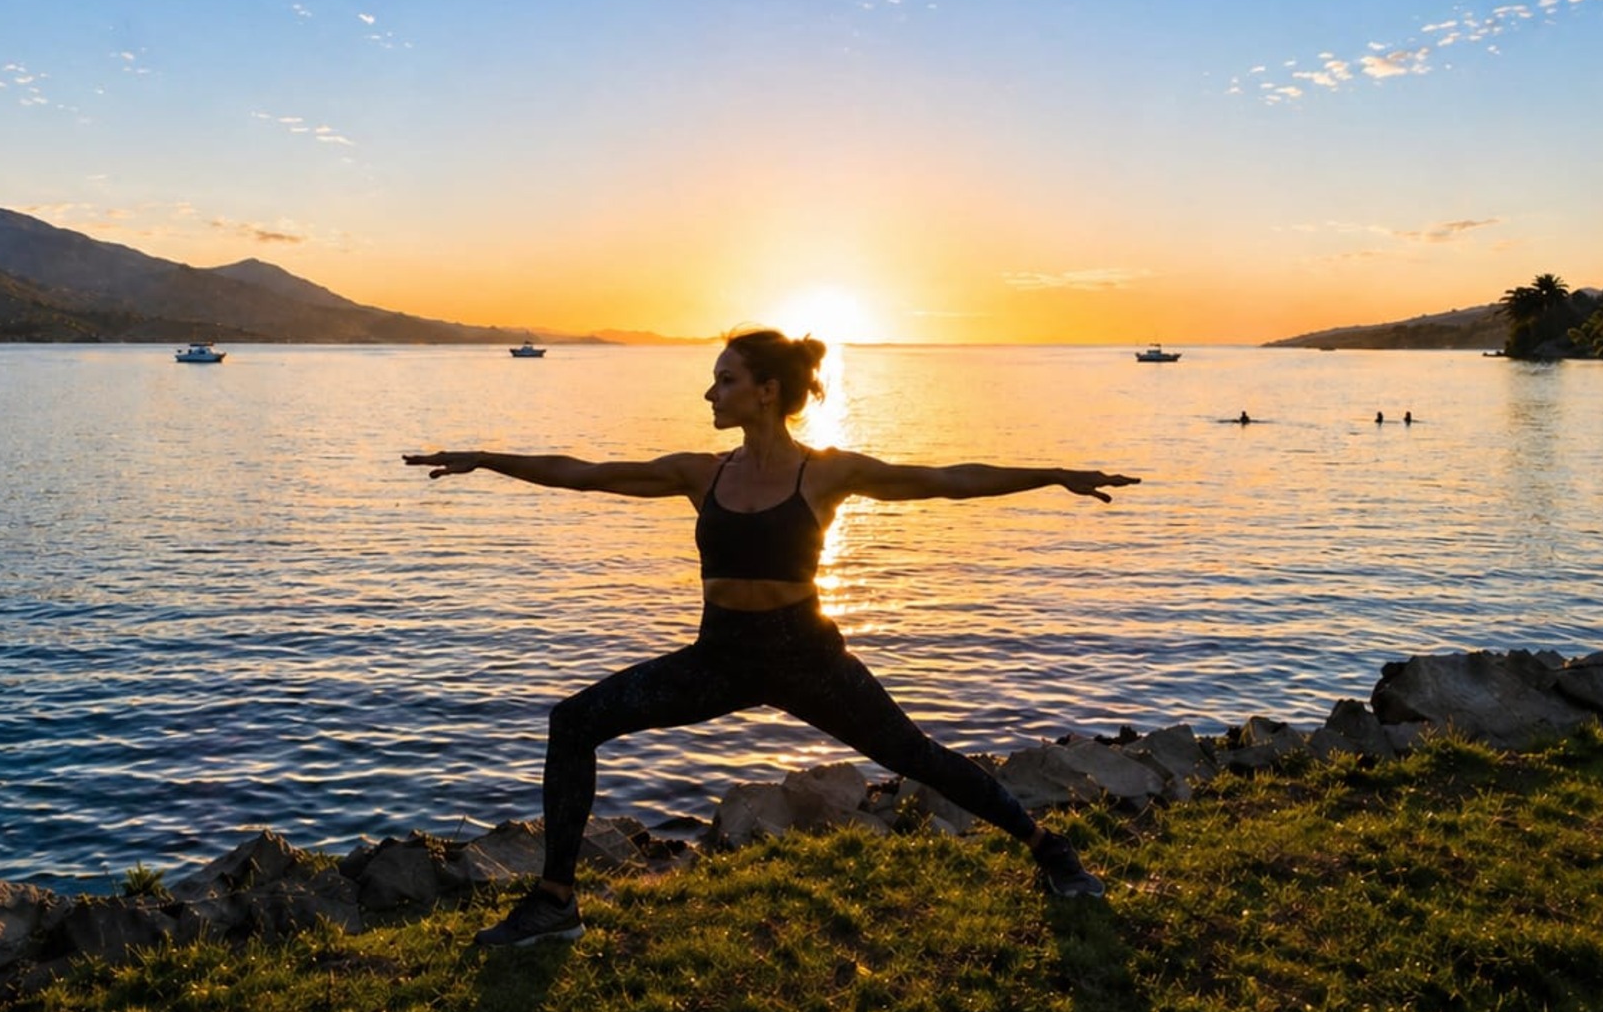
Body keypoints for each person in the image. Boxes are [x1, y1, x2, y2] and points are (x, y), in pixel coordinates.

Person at [405, 328, 1139, 947]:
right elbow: (585, 472)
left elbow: (944, 478)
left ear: (765, 391)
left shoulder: (826, 473)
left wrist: (1050, 474)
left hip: (808, 655)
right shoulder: (700, 471)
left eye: (723, 380)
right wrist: (486, 458)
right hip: (719, 655)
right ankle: (556, 900)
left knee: (916, 755)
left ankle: (1050, 849)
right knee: (575, 721)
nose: (709, 394)